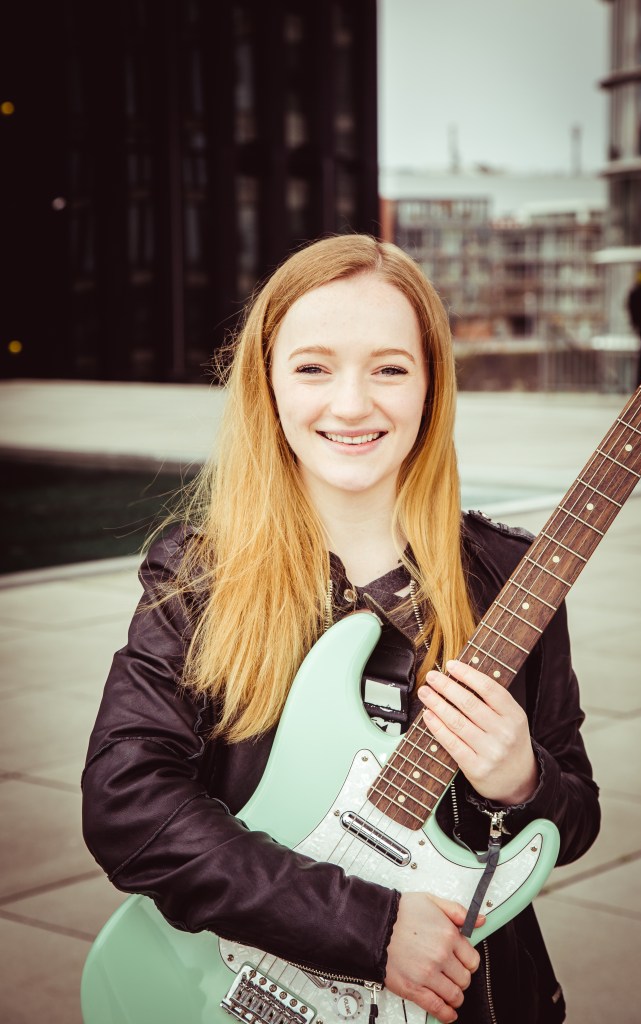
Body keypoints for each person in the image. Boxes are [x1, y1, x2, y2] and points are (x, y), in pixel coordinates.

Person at [82, 235, 600, 1024]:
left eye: (389, 369)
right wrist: (366, 926)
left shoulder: (514, 578)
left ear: (430, 386)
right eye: (313, 368)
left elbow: (577, 818)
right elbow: (128, 802)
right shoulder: (198, 575)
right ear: (267, 384)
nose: (352, 404)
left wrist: (525, 780)